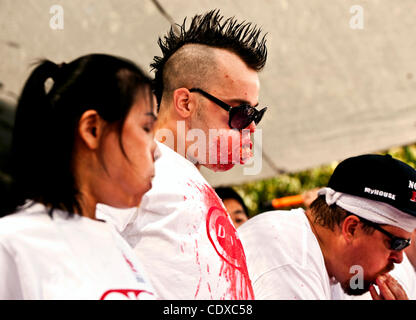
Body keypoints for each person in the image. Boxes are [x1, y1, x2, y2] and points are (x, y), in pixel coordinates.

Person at [97, 9, 268, 299]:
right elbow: (76, 245)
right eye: (240, 112)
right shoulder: (137, 162)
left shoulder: (181, 175)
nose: (251, 127)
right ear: (186, 102)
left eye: (256, 114)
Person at [0, 54, 158, 299]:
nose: (156, 149)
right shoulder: (13, 243)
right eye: (146, 128)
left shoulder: (118, 244)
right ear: (92, 129)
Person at [238, 154, 416, 300]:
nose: (399, 259)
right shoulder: (291, 258)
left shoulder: (333, 263)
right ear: (352, 228)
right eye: (396, 243)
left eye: (406, 244)